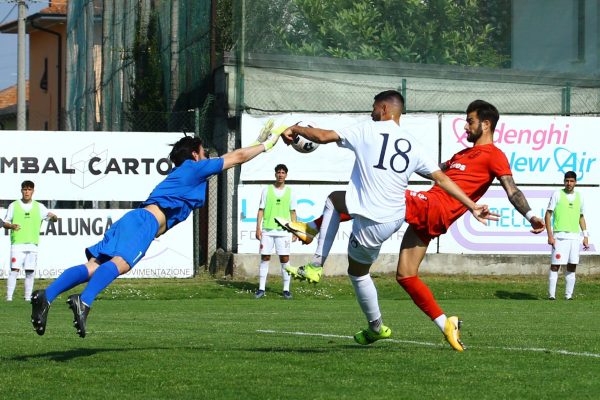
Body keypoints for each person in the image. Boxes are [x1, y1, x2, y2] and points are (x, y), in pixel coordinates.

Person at [278, 99, 546, 351]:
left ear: (485, 124)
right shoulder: (463, 154)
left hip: (434, 207)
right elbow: (430, 169)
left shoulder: (493, 154)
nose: (466, 126)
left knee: (378, 195)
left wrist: (531, 215)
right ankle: (446, 324)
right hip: (431, 215)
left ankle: (312, 228)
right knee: (406, 275)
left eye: (470, 121)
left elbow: (512, 190)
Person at [30, 128, 282, 338]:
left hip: (135, 219)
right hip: (145, 223)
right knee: (121, 264)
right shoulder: (194, 169)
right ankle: (83, 301)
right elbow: (236, 157)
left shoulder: (186, 172)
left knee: (95, 265)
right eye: (204, 152)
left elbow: (237, 155)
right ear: (195, 155)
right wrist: (268, 146)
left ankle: (46, 295)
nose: (207, 157)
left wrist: (258, 143)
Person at [3, 180, 58, 302]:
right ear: (21, 190)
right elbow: (4, 222)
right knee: (14, 270)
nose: (27, 192)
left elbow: (52, 218)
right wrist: (11, 226)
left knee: (30, 271)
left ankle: (27, 298)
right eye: (25, 189)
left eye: (29, 189)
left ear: (33, 191)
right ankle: (9, 298)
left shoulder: (39, 206)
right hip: (17, 243)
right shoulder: (14, 205)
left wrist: (54, 217)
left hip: (33, 244)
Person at [254, 163, 297, 299]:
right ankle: (261, 289)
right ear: (275, 174)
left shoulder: (290, 192)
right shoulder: (267, 190)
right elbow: (261, 210)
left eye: (283, 172)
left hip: (283, 232)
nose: (280, 174)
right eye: (278, 172)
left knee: (285, 259)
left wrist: (295, 231)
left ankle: (286, 289)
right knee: (265, 258)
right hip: (267, 230)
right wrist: (258, 227)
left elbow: (293, 212)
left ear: (286, 175)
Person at [545, 171, 589, 300]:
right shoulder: (557, 194)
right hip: (559, 237)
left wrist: (585, 236)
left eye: (571, 181)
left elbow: (581, 217)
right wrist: (550, 235)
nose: (569, 183)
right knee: (555, 265)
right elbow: (548, 215)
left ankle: (568, 296)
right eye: (567, 181)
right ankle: (551, 296)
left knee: (572, 266)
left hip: (574, 238)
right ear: (564, 181)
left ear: (575, 182)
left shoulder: (580, 197)